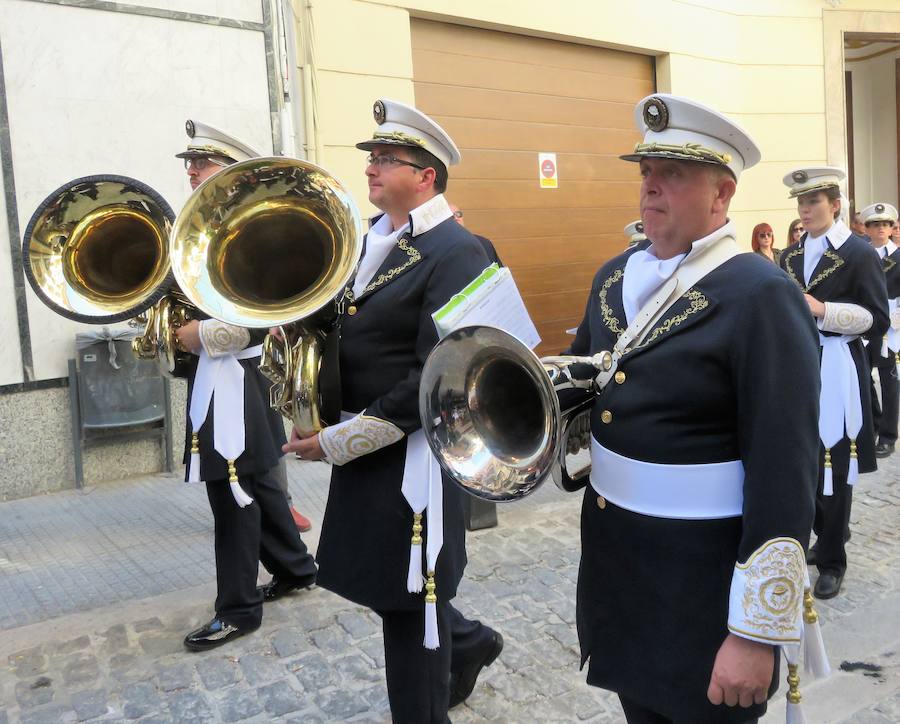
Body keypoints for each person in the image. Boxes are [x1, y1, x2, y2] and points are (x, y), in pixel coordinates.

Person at [569, 94, 820, 723]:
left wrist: (754, 633)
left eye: (673, 174)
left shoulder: (760, 294)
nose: (651, 188)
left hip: (704, 593)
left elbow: (785, 472)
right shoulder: (613, 277)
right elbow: (584, 383)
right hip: (622, 572)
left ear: (722, 194)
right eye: (646, 173)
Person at [284, 99, 502, 722]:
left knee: (411, 605)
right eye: (372, 158)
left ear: (427, 176)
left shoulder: (456, 250)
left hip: (413, 455)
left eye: (387, 160)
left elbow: (438, 374)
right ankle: (471, 641)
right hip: (371, 448)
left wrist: (339, 440)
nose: (372, 168)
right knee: (393, 591)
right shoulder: (370, 242)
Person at [173, 120, 317, 650]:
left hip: (236, 377)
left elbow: (267, 312)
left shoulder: (253, 229)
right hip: (222, 377)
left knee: (231, 489)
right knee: (253, 479)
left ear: (232, 172)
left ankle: (238, 608)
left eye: (202, 164)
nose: (191, 172)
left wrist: (198, 334)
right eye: (190, 164)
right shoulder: (199, 228)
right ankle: (296, 568)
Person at [780, 168, 889, 600]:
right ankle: (823, 534)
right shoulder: (789, 256)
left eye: (814, 202)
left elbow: (877, 318)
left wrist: (825, 310)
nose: (805, 211)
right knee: (805, 457)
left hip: (840, 360)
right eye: (801, 204)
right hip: (800, 363)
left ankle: (831, 560)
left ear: (835, 204)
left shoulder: (859, 253)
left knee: (835, 458)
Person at [861, 202, 900, 458]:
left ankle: (888, 436)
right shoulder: (861, 255)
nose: (881, 229)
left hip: (891, 327)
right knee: (864, 378)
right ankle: (873, 426)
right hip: (863, 323)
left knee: (889, 382)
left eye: (885, 225)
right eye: (876, 225)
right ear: (867, 229)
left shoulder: (898, 257)